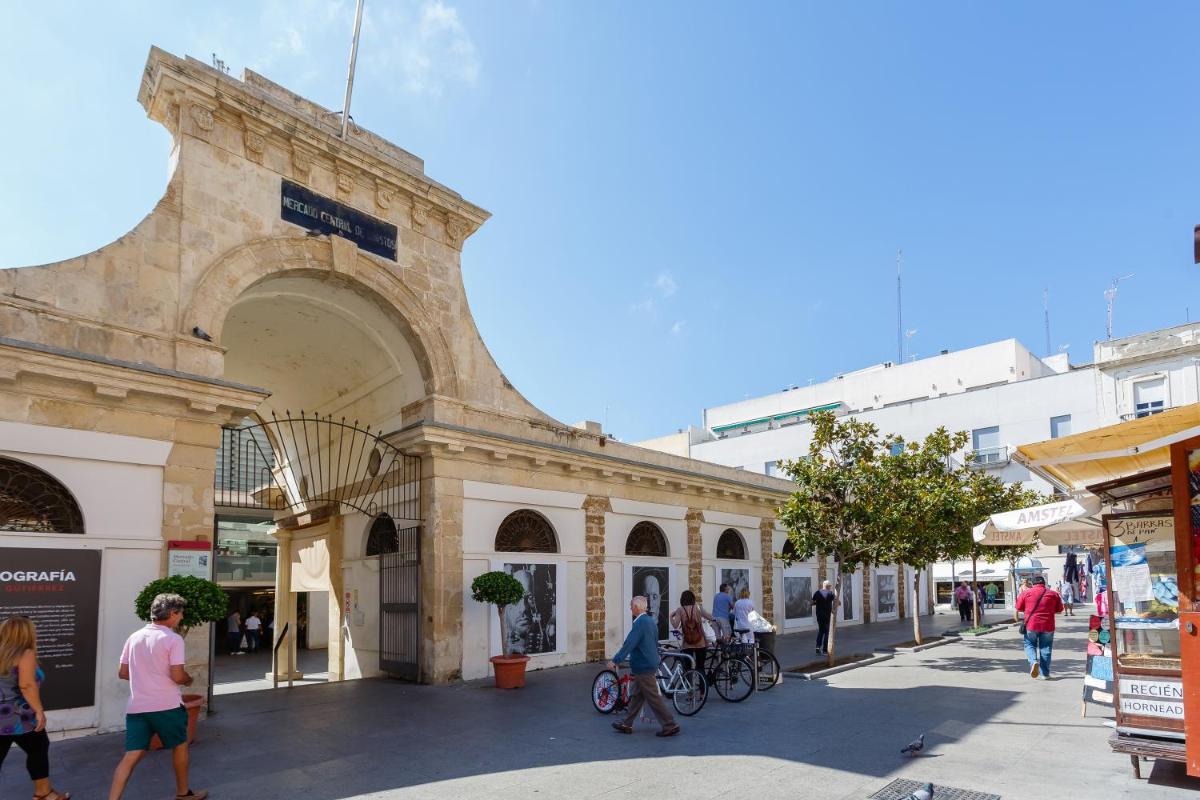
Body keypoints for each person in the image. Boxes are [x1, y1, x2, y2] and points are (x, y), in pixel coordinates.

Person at [108, 593, 207, 800]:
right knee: (180, 748)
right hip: (167, 706)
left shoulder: (133, 637)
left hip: (137, 708)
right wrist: (188, 680)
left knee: (130, 756)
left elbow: (123, 673)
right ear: (172, 613)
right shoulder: (173, 639)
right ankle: (183, 794)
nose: (181, 618)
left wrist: (144, 677)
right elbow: (178, 675)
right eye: (180, 614)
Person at [0, 616, 71, 800]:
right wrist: (39, 711)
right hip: (18, 716)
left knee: (37, 747)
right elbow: (27, 685)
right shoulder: (25, 653)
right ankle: (43, 794)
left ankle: (45, 793)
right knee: (38, 747)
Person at [608, 596, 679, 737]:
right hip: (648, 663)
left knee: (653, 697)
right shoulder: (650, 621)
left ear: (636, 607)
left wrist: (616, 660)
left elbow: (629, 643)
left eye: (631, 606)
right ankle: (626, 723)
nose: (630, 608)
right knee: (636, 696)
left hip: (643, 665)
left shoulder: (640, 623)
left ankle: (669, 724)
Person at [1015, 576, 1064, 680]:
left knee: (1029, 644)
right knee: (1046, 648)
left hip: (1031, 625)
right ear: (1044, 583)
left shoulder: (1026, 593)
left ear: (1032, 583)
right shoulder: (1053, 594)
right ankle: (1045, 674)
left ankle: (1033, 662)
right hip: (1048, 625)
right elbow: (1060, 610)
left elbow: (1019, 607)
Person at [669, 590, 714, 675]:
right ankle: (703, 687)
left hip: (687, 643)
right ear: (693, 599)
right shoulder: (698, 608)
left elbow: (675, 625)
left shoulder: (680, 610)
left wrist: (671, 617)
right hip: (700, 642)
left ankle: (689, 686)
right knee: (701, 667)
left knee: (688, 668)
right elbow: (710, 617)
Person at [812, 580, 836, 655]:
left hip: (819, 615)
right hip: (827, 616)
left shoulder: (817, 593)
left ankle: (817, 648)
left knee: (821, 631)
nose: (830, 587)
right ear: (828, 586)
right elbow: (837, 602)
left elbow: (812, 603)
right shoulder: (830, 593)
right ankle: (825, 650)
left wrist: (818, 603)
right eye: (830, 586)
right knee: (827, 633)